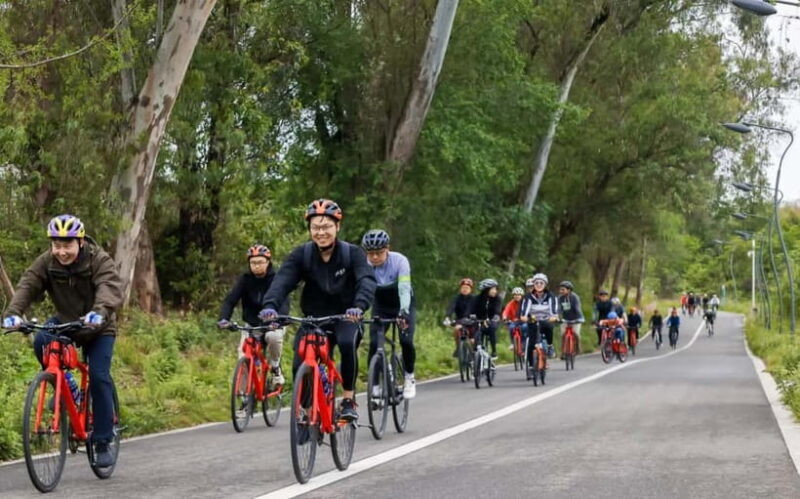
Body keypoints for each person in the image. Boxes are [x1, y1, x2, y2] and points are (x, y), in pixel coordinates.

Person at [3, 215, 123, 467]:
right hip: (67, 321)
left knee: (99, 376)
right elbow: (28, 285)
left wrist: (99, 312)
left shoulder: (99, 260)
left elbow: (109, 287)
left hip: (98, 326)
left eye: (67, 245)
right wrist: (13, 314)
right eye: (57, 245)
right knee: (41, 340)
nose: (61, 251)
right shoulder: (47, 261)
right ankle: (66, 385)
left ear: (80, 242)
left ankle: (103, 441)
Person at [259, 199, 376, 421]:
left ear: (337, 226)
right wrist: (270, 305)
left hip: (346, 316)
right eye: (315, 227)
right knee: (299, 362)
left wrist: (359, 306)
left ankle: (348, 399)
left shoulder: (352, 254)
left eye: (326, 227)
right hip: (313, 319)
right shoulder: (302, 255)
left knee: (347, 343)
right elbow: (282, 281)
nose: (321, 232)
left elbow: (366, 281)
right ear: (310, 229)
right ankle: (306, 412)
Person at [217, 244, 288, 385]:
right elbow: (230, 300)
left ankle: (275, 368)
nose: (256, 266)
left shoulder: (276, 279)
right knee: (243, 356)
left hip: (273, 324)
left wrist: (279, 320)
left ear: (268, 262)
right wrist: (224, 319)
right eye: (253, 263)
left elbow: (284, 301)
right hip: (252, 325)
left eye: (260, 262)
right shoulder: (245, 279)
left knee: (273, 337)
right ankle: (243, 394)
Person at [361, 229, 417, 399]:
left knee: (406, 341)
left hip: (402, 303)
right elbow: (362, 290)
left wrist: (404, 311)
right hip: (381, 306)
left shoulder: (400, 261)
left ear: (387, 249)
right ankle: (375, 385)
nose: (374, 257)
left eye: (379, 253)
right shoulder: (365, 265)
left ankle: (409, 377)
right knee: (374, 343)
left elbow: (404, 288)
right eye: (370, 253)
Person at [519, 273, 558, 371]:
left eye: (541, 283)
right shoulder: (528, 297)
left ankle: (550, 346)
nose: (539, 285)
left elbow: (553, 311)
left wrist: (553, 317)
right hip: (533, 321)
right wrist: (524, 317)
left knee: (549, 326)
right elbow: (524, 312)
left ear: (545, 284)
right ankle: (531, 365)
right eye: (536, 283)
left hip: (545, 320)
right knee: (531, 344)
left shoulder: (551, 296)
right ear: (534, 285)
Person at [444, 278, 476, 357]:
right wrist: (447, 317)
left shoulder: (474, 299)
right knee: (456, 329)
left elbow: (469, 310)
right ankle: (459, 348)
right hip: (460, 321)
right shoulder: (456, 298)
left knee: (473, 341)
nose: (465, 289)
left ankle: (474, 353)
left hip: (472, 321)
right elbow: (451, 307)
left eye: (467, 288)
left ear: (471, 289)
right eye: (463, 288)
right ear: (460, 289)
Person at [471, 279, 501, 359]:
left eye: (495, 289)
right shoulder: (477, 298)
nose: (495, 291)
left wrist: (496, 316)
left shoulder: (497, 299)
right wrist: (472, 315)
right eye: (493, 289)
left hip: (491, 321)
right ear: (486, 290)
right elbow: (472, 309)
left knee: (491, 329)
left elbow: (497, 309)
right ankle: (475, 352)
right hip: (479, 320)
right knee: (477, 333)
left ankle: (494, 351)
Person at [557, 280, 584, 355]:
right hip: (565, 319)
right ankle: (563, 352)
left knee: (576, 333)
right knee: (563, 334)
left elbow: (577, 308)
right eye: (560, 289)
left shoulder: (575, 297)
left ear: (569, 290)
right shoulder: (560, 298)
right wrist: (558, 317)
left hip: (576, 319)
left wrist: (580, 318)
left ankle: (577, 349)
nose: (561, 291)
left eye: (563, 290)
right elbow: (559, 308)